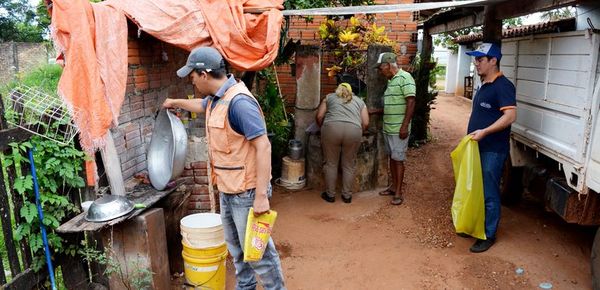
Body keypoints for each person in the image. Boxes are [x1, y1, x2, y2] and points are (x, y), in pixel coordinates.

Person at [162, 47, 286, 289]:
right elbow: (202, 105)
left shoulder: (239, 103)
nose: (192, 80)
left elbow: (264, 147)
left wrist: (261, 196)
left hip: (248, 193)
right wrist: (174, 102)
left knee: (258, 253)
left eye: (193, 76)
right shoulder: (218, 98)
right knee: (237, 251)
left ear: (204, 74)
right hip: (229, 190)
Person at [464, 42, 517, 253]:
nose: (476, 63)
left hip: (492, 149)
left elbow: (510, 115)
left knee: (489, 191)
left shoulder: (503, 86)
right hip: (479, 146)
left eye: (480, 59)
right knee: (477, 188)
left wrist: (485, 132)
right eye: (475, 59)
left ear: (493, 61)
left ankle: (488, 234)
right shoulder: (485, 83)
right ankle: (477, 227)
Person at [316, 83, 369, 204]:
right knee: (349, 165)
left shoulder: (329, 97)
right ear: (352, 92)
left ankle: (330, 195)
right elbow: (365, 123)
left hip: (331, 129)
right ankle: (347, 196)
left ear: (337, 90)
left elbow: (319, 116)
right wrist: (359, 132)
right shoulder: (359, 101)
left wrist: (322, 128)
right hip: (353, 131)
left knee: (330, 164)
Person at [375, 52, 416, 206]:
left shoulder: (405, 78)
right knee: (392, 158)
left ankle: (398, 192)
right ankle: (393, 187)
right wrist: (373, 111)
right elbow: (391, 105)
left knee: (398, 160)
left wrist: (404, 125)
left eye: (381, 68)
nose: (380, 71)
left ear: (388, 65)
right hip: (388, 128)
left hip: (399, 129)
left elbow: (411, 102)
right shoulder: (391, 81)